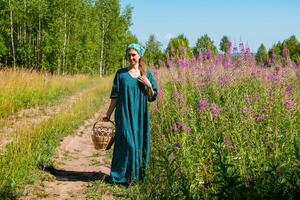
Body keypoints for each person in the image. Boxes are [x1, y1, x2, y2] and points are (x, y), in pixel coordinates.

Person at [103, 43, 158, 184]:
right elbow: (114, 97)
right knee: (128, 144)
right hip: (124, 114)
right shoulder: (120, 74)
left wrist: (149, 85)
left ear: (139, 56)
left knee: (138, 144)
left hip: (140, 115)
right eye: (129, 55)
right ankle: (120, 177)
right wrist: (108, 114)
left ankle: (135, 178)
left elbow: (152, 97)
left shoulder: (147, 74)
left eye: (134, 54)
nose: (131, 57)